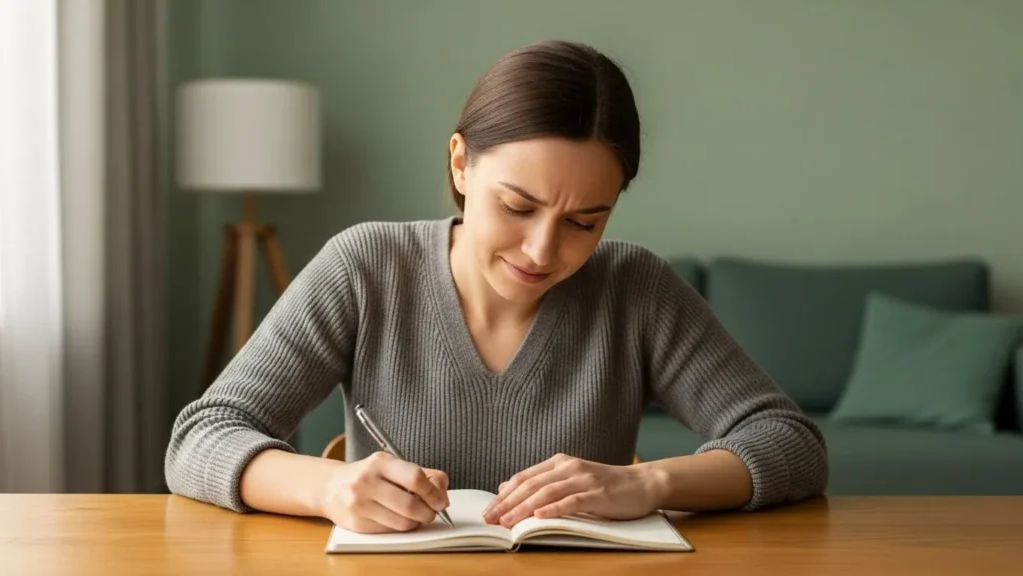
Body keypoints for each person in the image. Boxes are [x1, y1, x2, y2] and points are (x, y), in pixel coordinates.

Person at [165, 39, 828, 535]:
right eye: (517, 206)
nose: (543, 251)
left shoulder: (636, 288)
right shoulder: (366, 268)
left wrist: (649, 482)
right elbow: (202, 437)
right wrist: (329, 487)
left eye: (583, 221)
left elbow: (789, 442)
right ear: (460, 164)